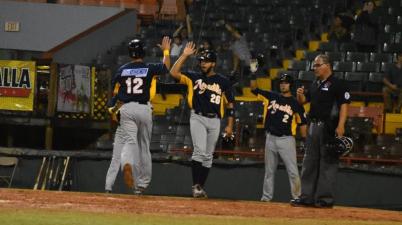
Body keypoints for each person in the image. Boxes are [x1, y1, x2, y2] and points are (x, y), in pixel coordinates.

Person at [105, 36, 171, 194]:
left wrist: (113, 109)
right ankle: (141, 185)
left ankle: (127, 163)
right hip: (144, 109)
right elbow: (166, 67)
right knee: (144, 147)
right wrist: (166, 51)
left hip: (126, 108)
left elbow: (114, 91)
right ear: (143, 52)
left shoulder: (121, 70)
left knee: (129, 142)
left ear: (130, 54)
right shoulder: (148, 67)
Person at [170, 42, 235, 198]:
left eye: (206, 61)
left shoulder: (223, 81)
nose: (202, 63)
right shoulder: (193, 77)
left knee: (208, 155)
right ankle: (196, 187)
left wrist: (230, 125)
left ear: (213, 63)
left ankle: (199, 187)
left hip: (215, 120)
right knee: (199, 151)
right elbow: (173, 72)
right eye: (201, 61)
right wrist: (185, 55)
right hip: (197, 117)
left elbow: (231, 105)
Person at [291, 54, 350, 208]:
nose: (314, 68)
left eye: (317, 65)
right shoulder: (315, 83)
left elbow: (344, 105)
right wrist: (300, 96)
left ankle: (324, 199)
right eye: (314, 65)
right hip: (313, 126)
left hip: (328, 127)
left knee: (327, 163)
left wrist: (341, 125)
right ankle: (306, 197)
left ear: (327, 65)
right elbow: (304, 101)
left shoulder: (338, 84)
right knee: (309, 162)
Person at [250, 72, 307, 202]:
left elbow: (302, 123)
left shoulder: (295, 103)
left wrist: (305, 141)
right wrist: (254, 73)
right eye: (281, 82)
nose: (283, 85)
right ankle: (266, 197)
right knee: (269, 171)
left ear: (290, 85)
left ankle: (298, 197)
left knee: (293, 171)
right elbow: (254, 89)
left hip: (286, 139)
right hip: (270, 138)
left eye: (285, 82)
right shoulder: (271, 96)